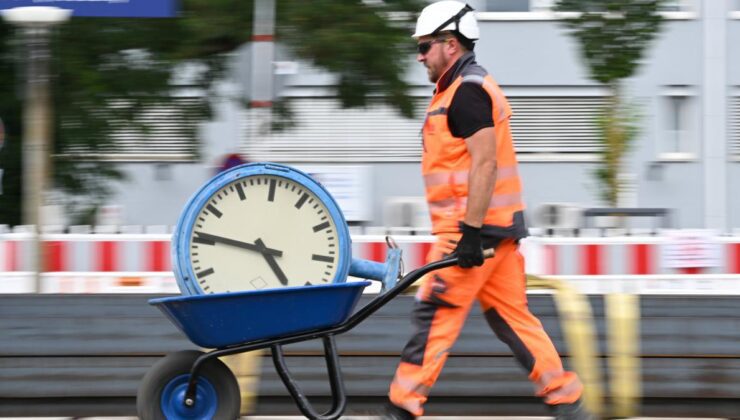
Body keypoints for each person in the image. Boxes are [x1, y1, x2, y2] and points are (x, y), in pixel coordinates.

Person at [381, 2, 594, 419]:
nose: (420, 55)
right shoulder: (459, 88)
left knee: (434, 313)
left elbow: (485, 162)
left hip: (470, 233)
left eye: (425, 47)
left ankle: (401, 409)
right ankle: (568, 403)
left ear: (451, 44)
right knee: (512, 319)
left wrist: (470, 234)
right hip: (496, 232)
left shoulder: (468, 91)